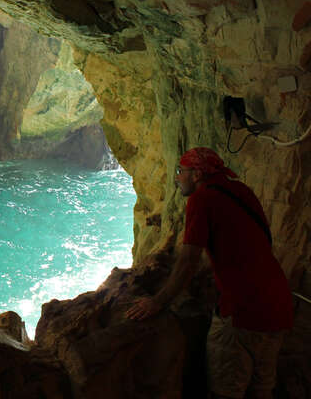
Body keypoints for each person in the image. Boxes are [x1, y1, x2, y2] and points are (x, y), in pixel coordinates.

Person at [126, 147, 293, 399]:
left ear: (197, 174)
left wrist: (157, 302)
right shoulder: (242, 191)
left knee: (226, 389)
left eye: (181, 171)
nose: (177, 177)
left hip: (243, 312)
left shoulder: (202, 199)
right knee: (262, 389)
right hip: (279, 304)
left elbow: (188, 261)